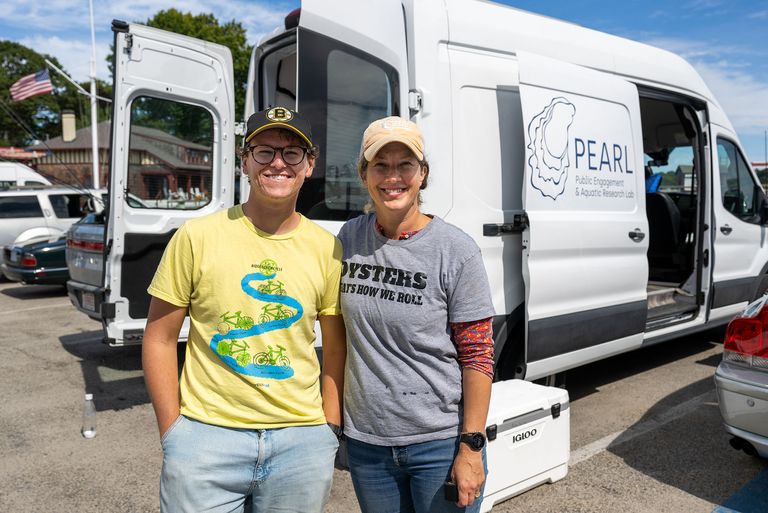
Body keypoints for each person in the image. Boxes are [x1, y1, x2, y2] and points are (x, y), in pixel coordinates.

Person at [142, 106, 346, 513]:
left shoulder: (327, 248)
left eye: (292, 153)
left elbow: (336, 348)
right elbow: (159, 337)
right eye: (264, 151)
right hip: (206, 439)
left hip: (300, 441)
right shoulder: (196, 237)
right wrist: (174, 432)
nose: (278, 163)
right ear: (244, 161)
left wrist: (329, 429)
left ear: (310, 165)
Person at [338, 116, 495, 513]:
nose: (394, 176)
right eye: (381, 164)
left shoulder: (455, 250)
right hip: (367, 445)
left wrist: (471, 446)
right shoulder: (349, 239)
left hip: (438, 444)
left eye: (405, 164)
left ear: (422, 174)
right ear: (364, 174)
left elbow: (478, 354)